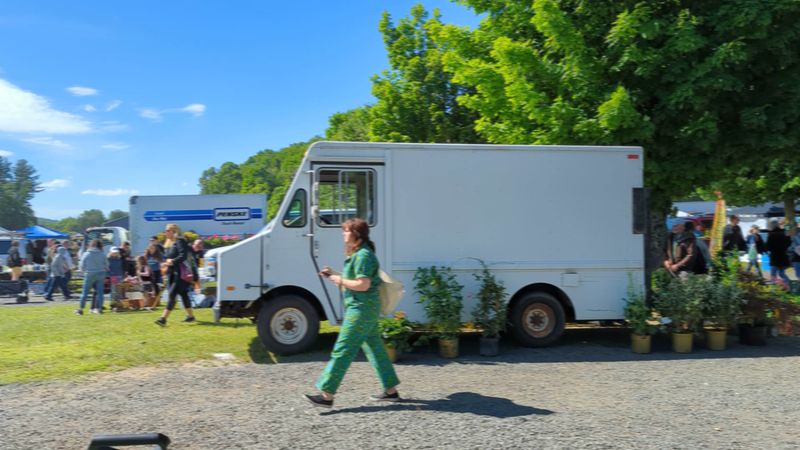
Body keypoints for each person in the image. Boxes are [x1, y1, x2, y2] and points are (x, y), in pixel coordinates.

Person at [305, 218, 400, 408]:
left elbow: (363, 285)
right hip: (365, 309)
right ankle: (391, 390)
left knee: (343, 349)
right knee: (375, 348)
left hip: (361, 310)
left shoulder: (363, 255)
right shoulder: (359, 254)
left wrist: (337, 280)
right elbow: (356, 279)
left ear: (356, 234)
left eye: (346, 231)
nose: (343, 234)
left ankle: (327, 395)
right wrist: (334, 274)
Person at [154, 223, 196, 326]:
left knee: (172, 294)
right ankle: (191, 316)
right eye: (165, 231)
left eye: (167, 230)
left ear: (174, 231)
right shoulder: (169, 243)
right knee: (183, 294)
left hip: (180, 273)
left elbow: (183, 255)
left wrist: (172, 261)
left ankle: (163, 319)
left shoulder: (180, 241)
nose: (165, 232)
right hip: (172, 273)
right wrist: (166, 262)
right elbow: (168, 257)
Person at [76, 239, 108, 315]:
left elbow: (81, 266)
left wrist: (84, 271)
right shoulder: (102, 254)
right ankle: (99, 308)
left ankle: (81, 309)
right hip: (100, 273)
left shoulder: (86, 254)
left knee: (85, 293)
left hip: (89, 274)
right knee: (100, 293)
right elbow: (106, 264)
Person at [766, 219, 791, 287]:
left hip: (774, 257)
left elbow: (768, 247)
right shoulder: (784, 233)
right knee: (781, 273)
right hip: (783, 257)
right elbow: (789, 243)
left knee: (773, 274)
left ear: (772, 226)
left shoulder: (771, 235)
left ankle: (774, 289)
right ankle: (788, 285)